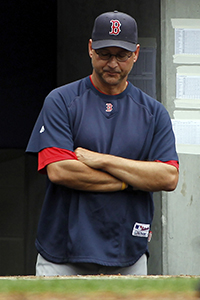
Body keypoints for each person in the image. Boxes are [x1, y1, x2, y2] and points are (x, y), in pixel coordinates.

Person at [26, 10, 179, 276]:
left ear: (136, 54)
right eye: (104, 53)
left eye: (121, 55)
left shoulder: (153, 112)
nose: (112, 63)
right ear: (90, 49)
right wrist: (130, 179)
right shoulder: (61, 100)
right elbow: (60, 170)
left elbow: (167, 177)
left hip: (128, 252)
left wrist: (103, 160)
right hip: (62, 253)